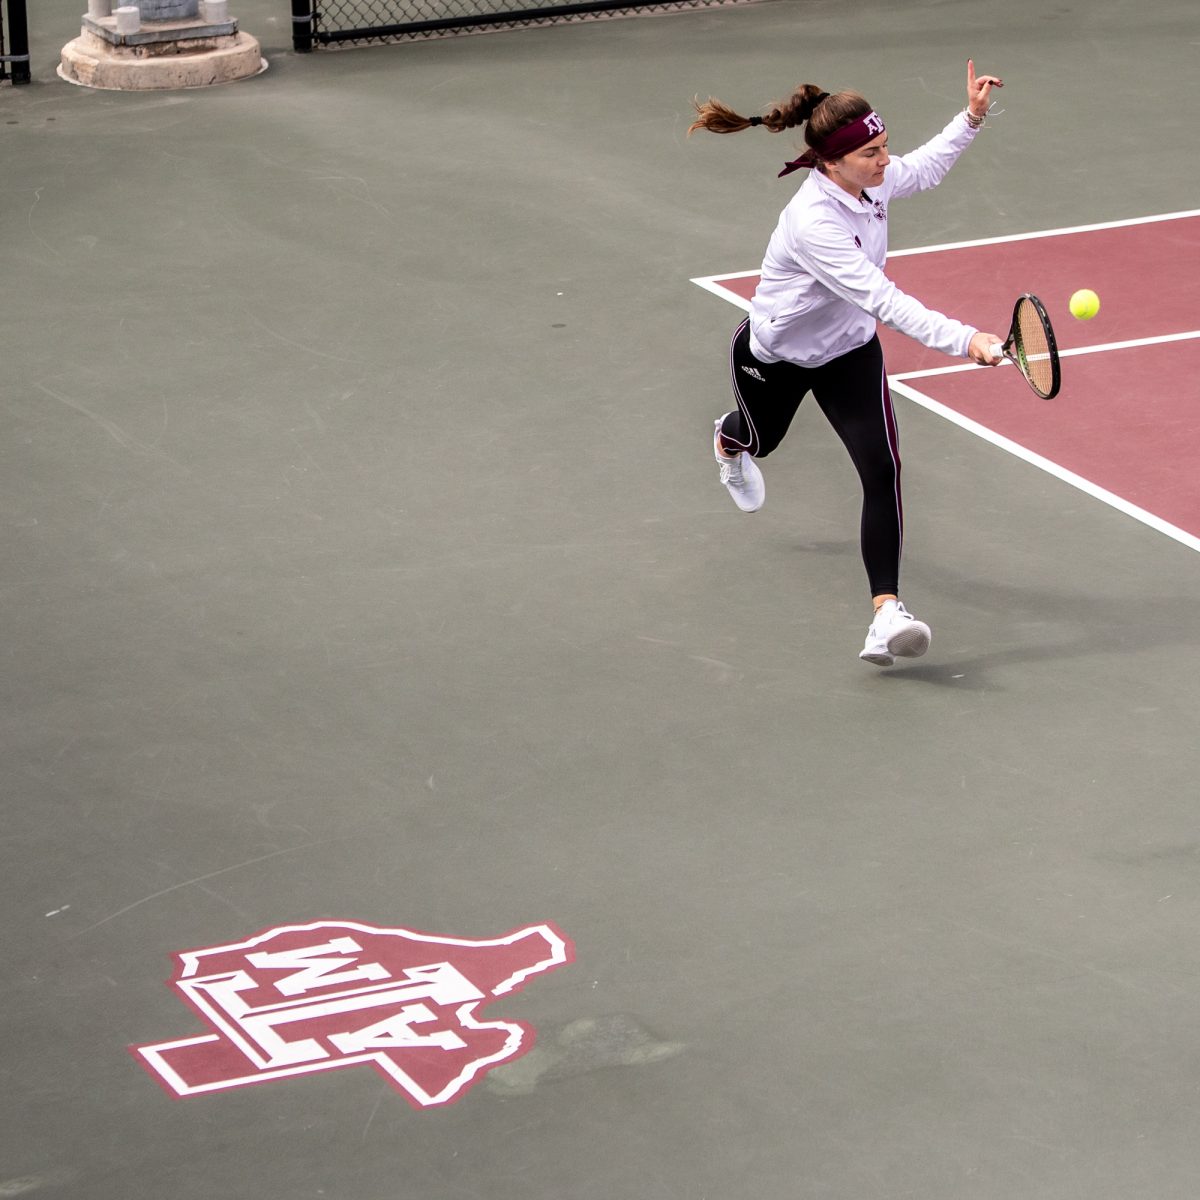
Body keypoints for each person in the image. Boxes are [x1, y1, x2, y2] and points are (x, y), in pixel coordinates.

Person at [690, 60, 1004, 667]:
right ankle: (728, 443)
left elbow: (925, 167)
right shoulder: (814, 223)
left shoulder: (871, 179)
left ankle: (886, 614)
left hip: (849, 352)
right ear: (830, 163)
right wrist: (966, 340)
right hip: (778, 356)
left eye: (884, 147)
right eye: (872, 153)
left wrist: (971, 118)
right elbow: (883, 298)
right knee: (762, 438)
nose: (885, 161)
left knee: (881, 469)